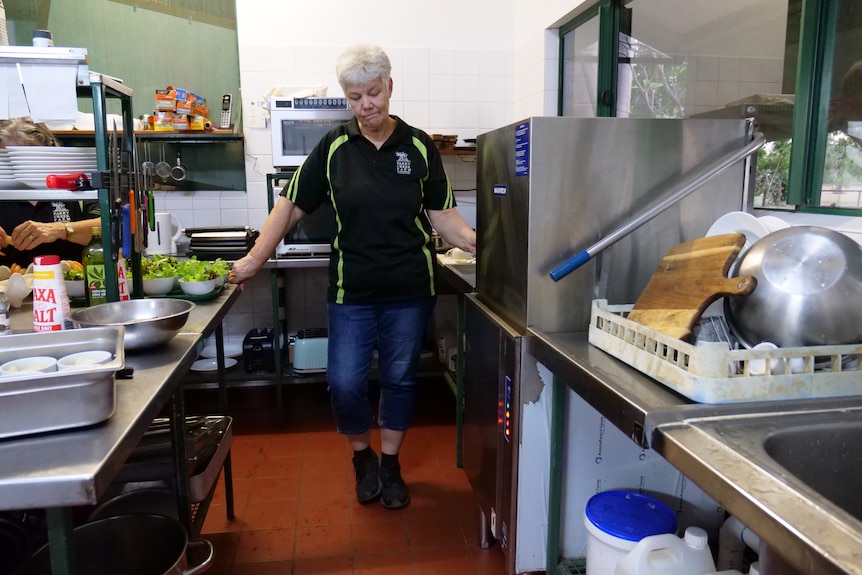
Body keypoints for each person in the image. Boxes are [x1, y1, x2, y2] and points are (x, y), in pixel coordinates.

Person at [230, 43, 476, 509]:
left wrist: (474, 240)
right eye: (356, 96)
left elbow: (442, 215)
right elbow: (292, 204)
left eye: (374, 93)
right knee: (344, 381)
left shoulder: (419, 145)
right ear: (347, 98)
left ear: (390, 87)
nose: (367, 105)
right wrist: (255, 259)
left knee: (401, 378)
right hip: (353, 290)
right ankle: (362, 457)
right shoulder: (335, 146)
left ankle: (390, 464)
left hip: (410, 288)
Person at [0, 117, 100, 267]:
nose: (19, 169)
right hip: (8, 287)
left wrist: (61, 229)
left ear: (49, 149)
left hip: (72, 285)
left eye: (28, 158)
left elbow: (109, 227)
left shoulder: (76, 181)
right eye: (8, 160)